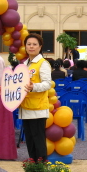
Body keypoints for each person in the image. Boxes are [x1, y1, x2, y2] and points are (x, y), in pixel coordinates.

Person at [19, 34, 52, 162]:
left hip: (38, 108)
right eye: (29, 44)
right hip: (25, 106)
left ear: (40, 47)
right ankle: (33, 168)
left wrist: (33, 87)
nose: (31, 47)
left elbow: (47, 84)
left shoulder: (43, 63)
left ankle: (42, 169)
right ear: (25, 46)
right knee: (30, 140)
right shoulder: (25, 64)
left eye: (34, 44)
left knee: (38, 140)